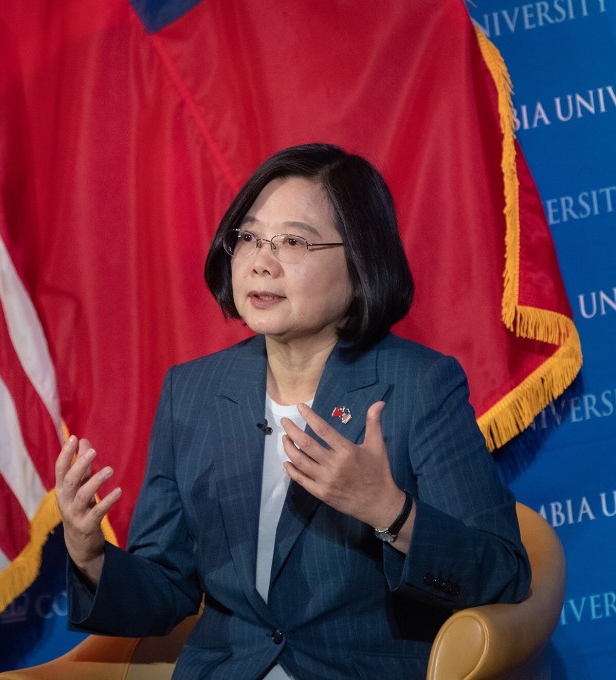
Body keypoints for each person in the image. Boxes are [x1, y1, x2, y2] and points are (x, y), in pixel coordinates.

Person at [54, 143, 531, 679]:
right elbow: (168, 589)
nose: (261, 261)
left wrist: (389, 510)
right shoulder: (192, 391)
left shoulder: (419, 384)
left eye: (293, 242)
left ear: (361, 260)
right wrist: (89, 553)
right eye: (250, 237)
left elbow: (504, 576)